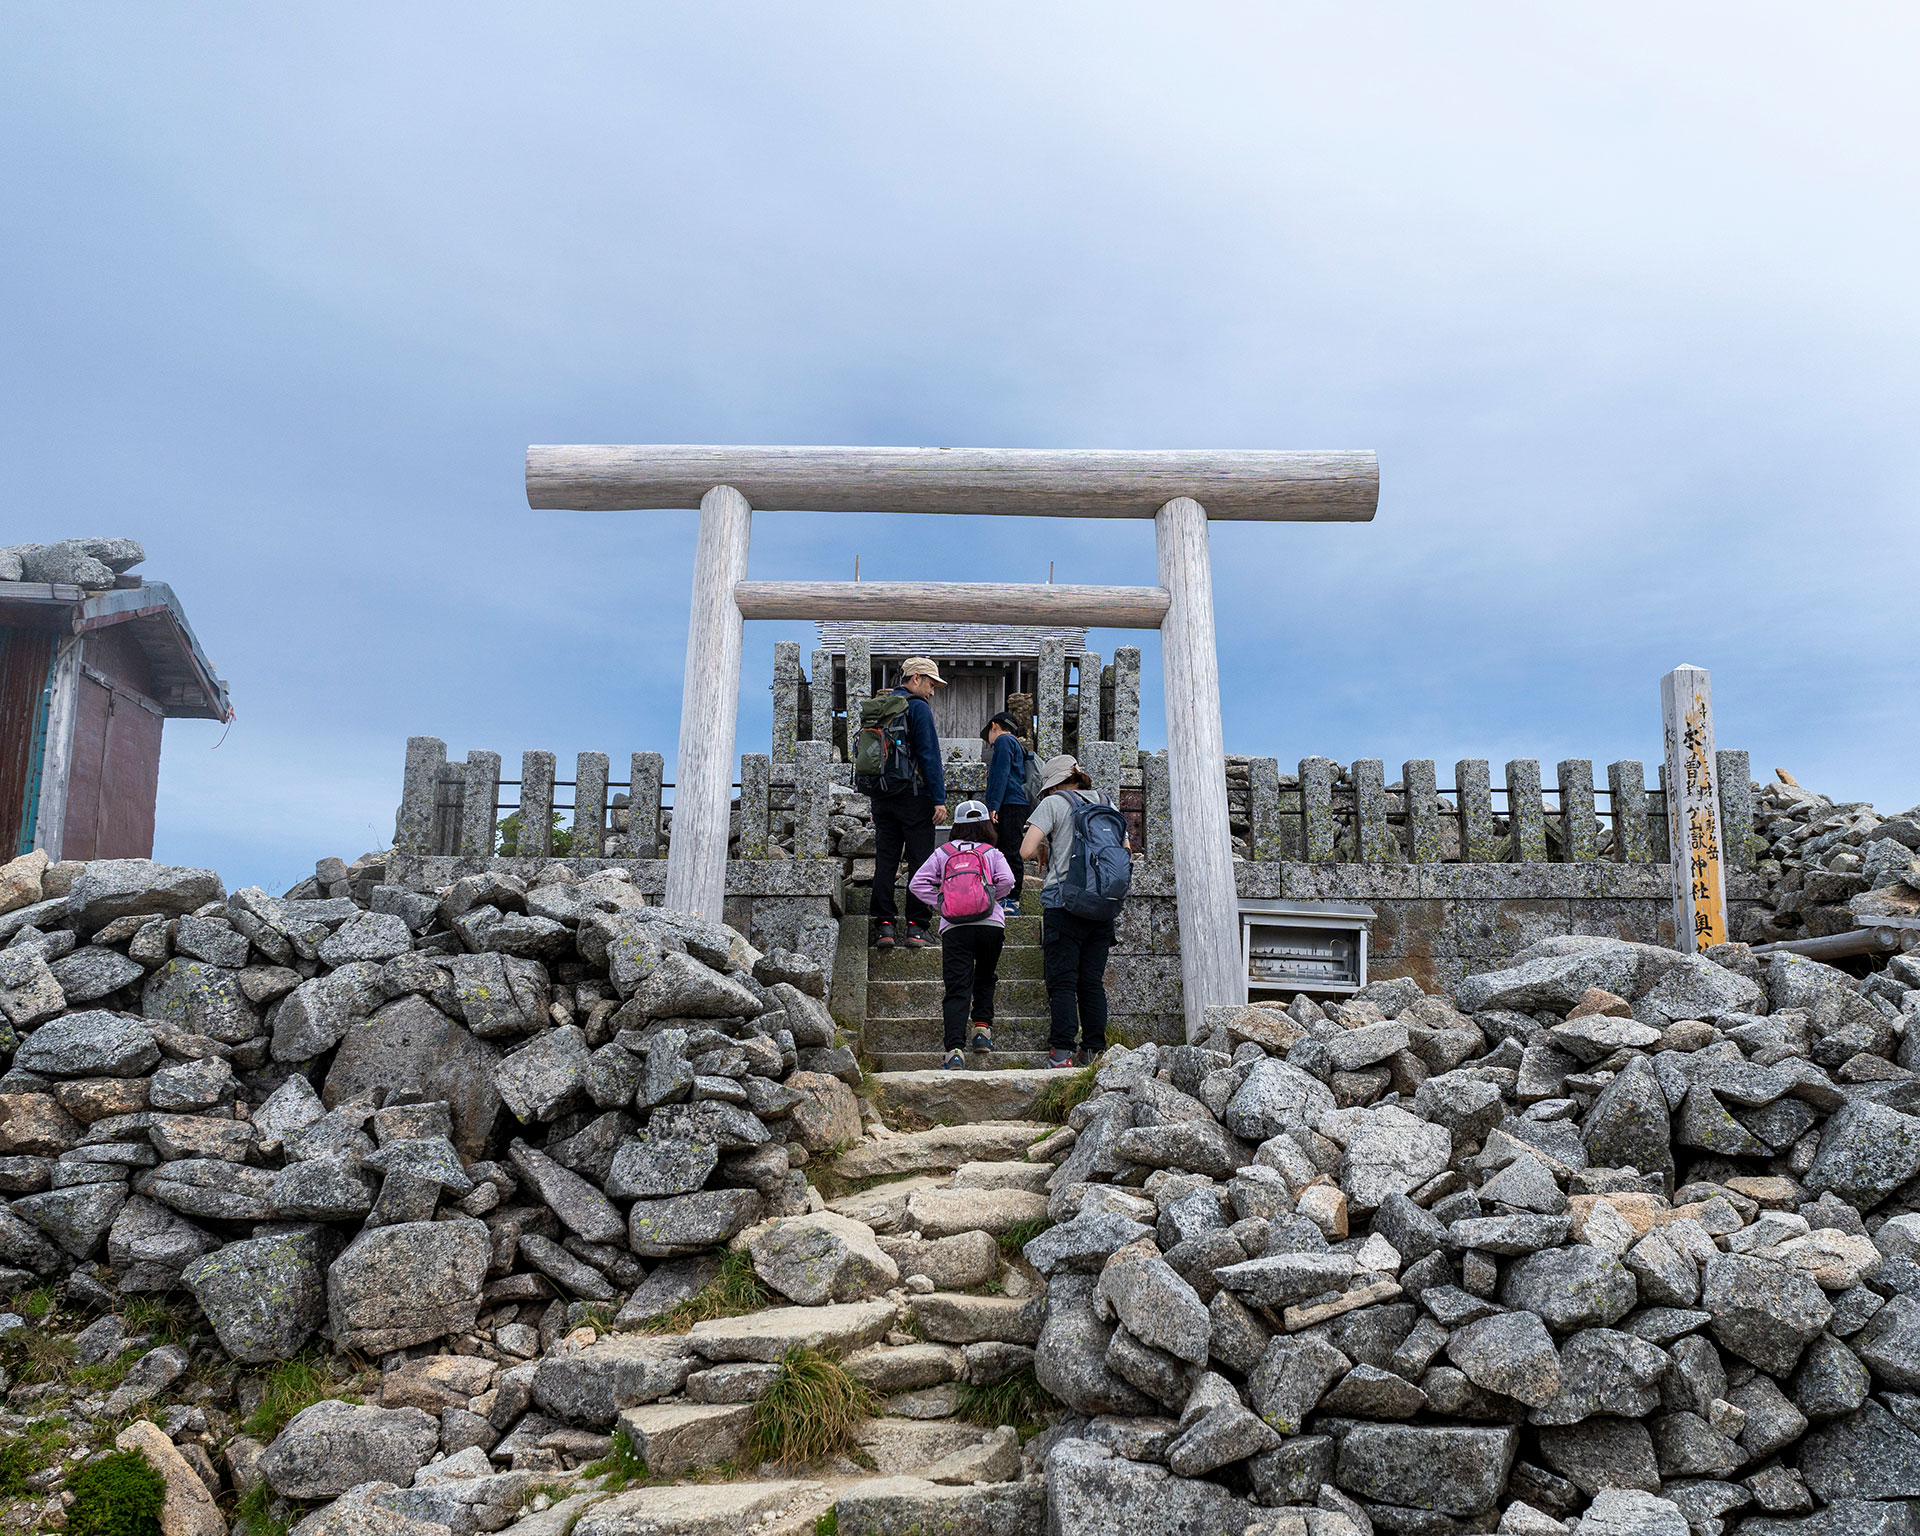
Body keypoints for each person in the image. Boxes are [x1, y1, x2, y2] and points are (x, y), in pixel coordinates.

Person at [1021, 754, 1130, 1069]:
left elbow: (1026, 850)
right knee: (1092, 982)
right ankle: (1094, 1051)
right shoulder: (1106, 803)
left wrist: (1047, 845)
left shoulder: (1054, 804)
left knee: (1063, 981)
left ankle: (1061, 1053)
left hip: (1064, 903)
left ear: (1052, 785)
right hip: (1103, 905)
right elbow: (1124, 851)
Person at [908, 800, 1016, 1070]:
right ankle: (982, 1031)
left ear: (956, 825)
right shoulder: (991, 852)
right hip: (991, 925)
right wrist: (989, 900)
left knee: (957, 987)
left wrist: (943, 903)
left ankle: (954, 1051)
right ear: (986, 824)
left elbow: (916, 883)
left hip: (955, 927)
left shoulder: (943, 852)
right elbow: (1008, 881)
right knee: (985, 977)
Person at [864, 656, 948, 950]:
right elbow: (929, 756)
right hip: (914, 797)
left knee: (885, 862)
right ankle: (916, 927)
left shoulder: (881, 709)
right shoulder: (918, 708)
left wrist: (875, 800)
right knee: (921, 862)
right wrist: (938, 799)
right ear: (915, 678)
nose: (932, 691)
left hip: (882, 797)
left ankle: (884, 926)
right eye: (931, 683)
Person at [979, 711, 1032, 917]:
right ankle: (1008, 897)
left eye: (989, 736)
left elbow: (1000, 774)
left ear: (994, 726)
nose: (990, 742)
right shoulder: (1017, 744)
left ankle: (1010, 898)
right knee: (1009, 850)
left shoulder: (1003, 740)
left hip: (1008, 803)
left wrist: (993, 805)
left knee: (1008, 851)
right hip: (1016, 802)